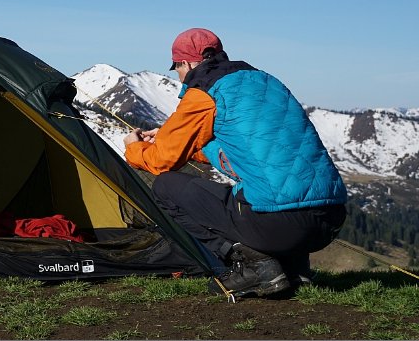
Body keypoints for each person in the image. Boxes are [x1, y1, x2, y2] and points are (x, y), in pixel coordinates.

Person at [123, 28, 347, 298]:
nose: (179, 76)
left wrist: (134, 148)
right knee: (277, 180)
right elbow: (241, 152)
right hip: (330, 222)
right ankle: (294, 267)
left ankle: (255, 267)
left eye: (176, 69)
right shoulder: (265, 80)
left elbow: (162, 162)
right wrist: (186, 142)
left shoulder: (203, 90)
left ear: (185, 63)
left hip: (279, 225)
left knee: (165, 187)